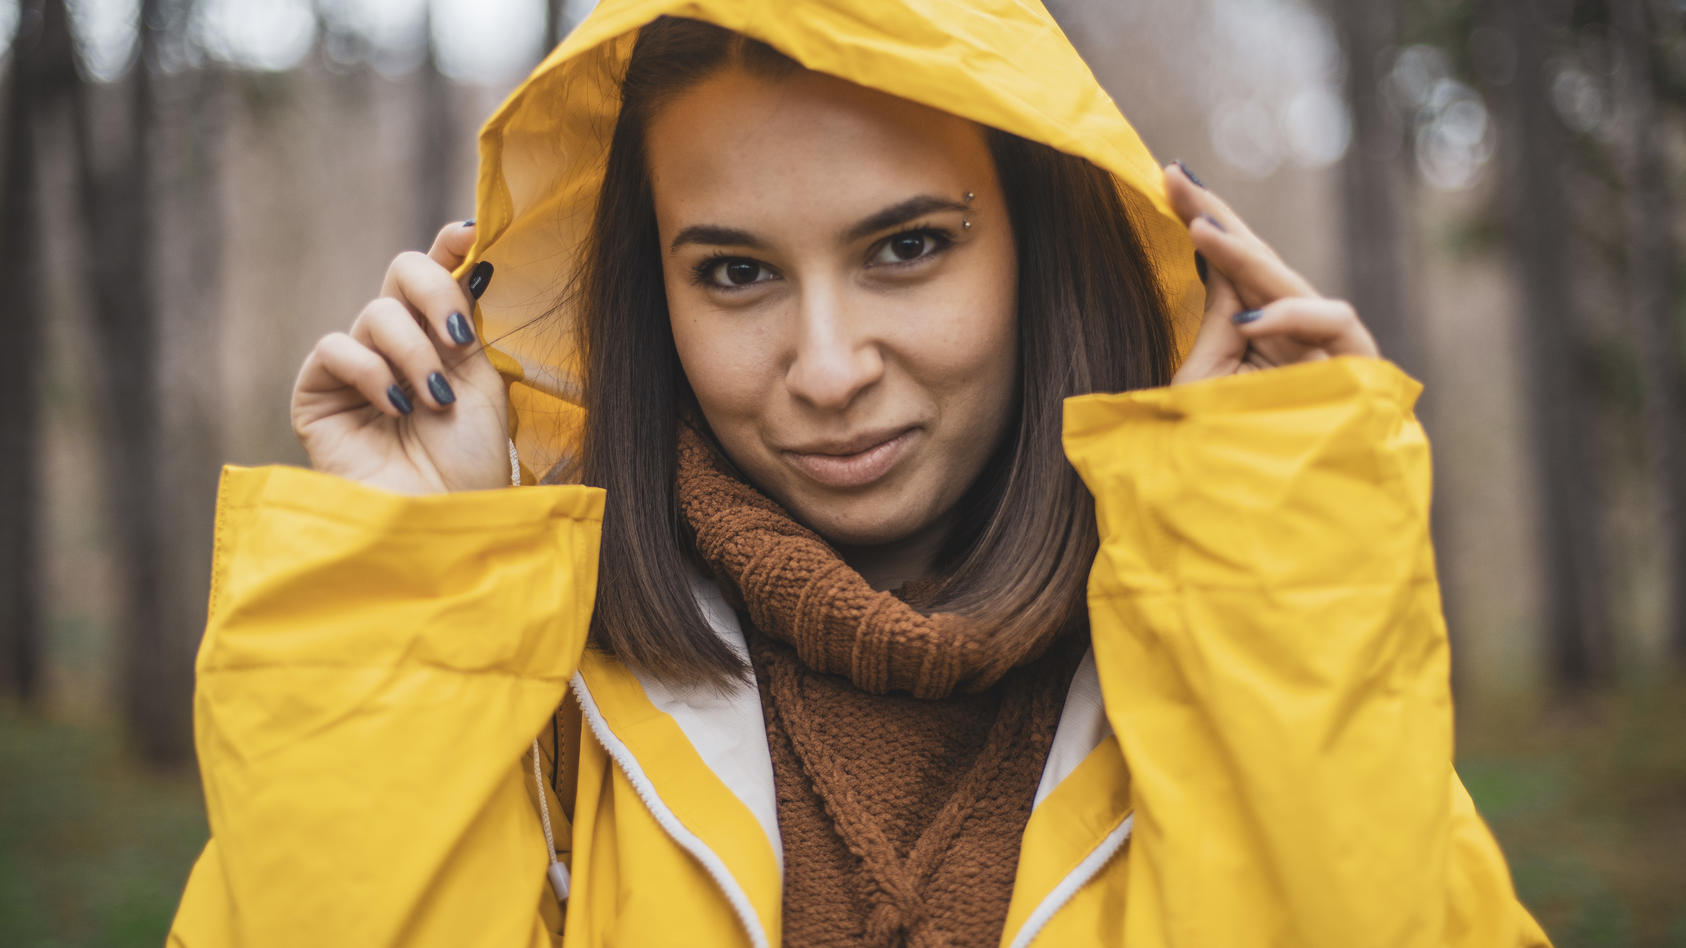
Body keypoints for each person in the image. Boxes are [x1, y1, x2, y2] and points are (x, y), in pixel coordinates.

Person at [167, 1, 1553, 946]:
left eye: (905, 247)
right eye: (735, 272)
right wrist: (402, 590)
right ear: (653, 303)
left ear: (1044, 245)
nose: (826, 368)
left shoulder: (1234, 650)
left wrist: (1272, 562)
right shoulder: (521, 704)